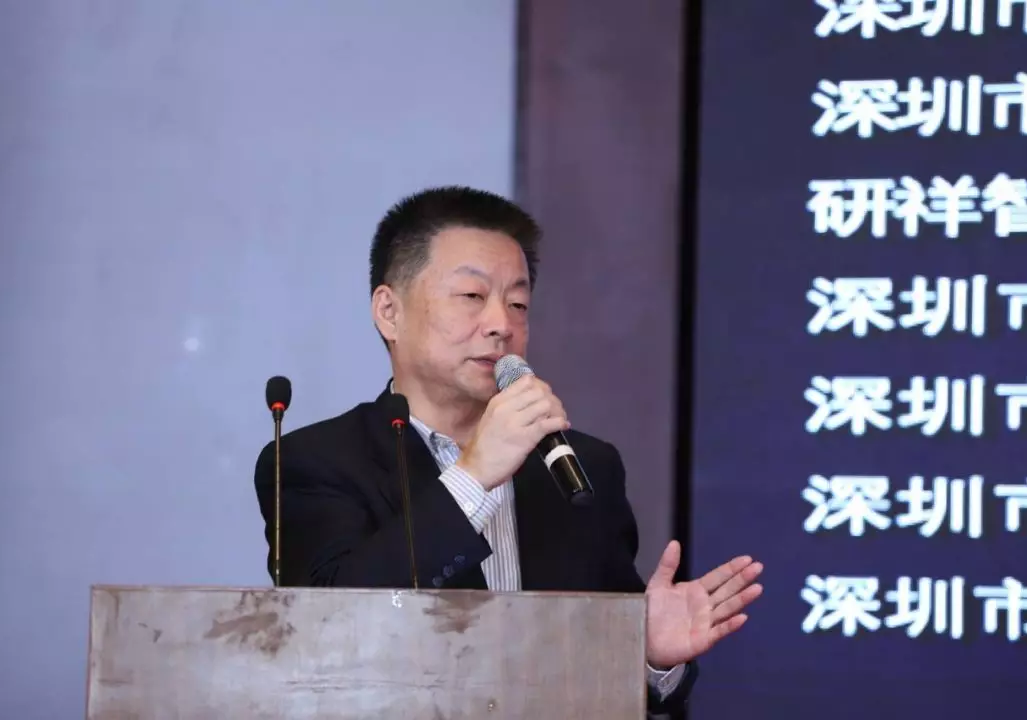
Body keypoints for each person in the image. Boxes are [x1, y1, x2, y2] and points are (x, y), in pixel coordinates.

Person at [253, 185, 763, 716]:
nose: (502, 324)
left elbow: (607, 672)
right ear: (389, 311)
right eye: (472, 296)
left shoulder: (582, 467)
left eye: (518, 303)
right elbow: (328, 632)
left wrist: (649, 656)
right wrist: (473, 477)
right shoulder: (313, 462)